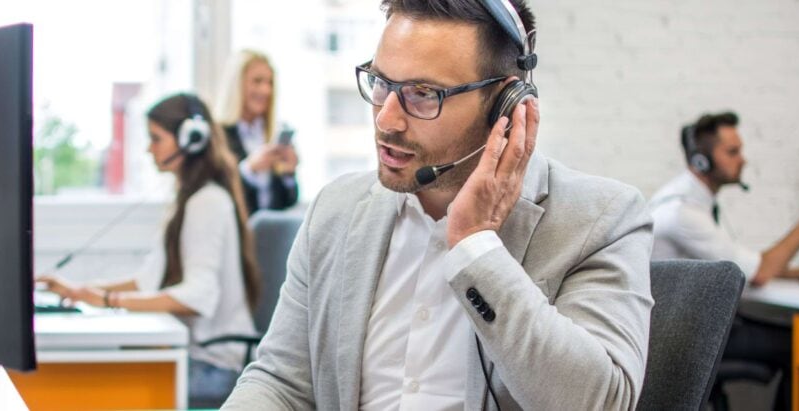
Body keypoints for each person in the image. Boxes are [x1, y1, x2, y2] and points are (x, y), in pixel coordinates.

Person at [222, 1, 654, 409]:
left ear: (504, 104)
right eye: (380, 83)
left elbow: (600, 401)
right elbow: (281, 382)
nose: (386, 119)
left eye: (423, 93)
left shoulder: (601, 220)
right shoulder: (335, 211)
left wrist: (476, 246)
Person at [37, 94, 260, 408]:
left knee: (109, 388)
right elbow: (148, 281)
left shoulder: (207, 202)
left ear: (191, 140)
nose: (148, 148)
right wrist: (81, 291)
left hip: (216, 365)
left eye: (156, 139)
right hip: (196, 354)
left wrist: (105, 300)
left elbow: (198, 296)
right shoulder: (186, 200)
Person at [649, 111, 799, 410]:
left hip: (687, 325)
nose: (742, 159)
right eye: (732, 152)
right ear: (701, 161)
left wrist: (795, 273)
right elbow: (756, 274)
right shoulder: (683, 214)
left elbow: (736, 265)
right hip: (686, 337)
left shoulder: (690, 202)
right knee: (798, 342)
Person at [216, 49, 299, 214]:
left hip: (270, 234)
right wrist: (249, 169)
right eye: (257, 81)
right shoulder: (218, 135)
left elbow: (288, 200)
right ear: (237, 84)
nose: (266, 90)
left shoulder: (273, 132)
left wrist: (288, 172)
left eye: (270, 83)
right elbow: (218, 196)